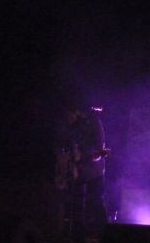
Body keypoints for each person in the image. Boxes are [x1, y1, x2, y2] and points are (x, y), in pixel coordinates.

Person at [55, 102, 108, 243]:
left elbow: (99, 150)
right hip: (76, 174)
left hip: (94, 173)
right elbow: (63, 146)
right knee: (76, 206)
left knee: (96, 202)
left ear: (76, 112)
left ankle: (105, 234)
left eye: (69, 116)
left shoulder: (94, 123)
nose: (67, 120)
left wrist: (82, 155)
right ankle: (76, 237)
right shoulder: (71, 127)